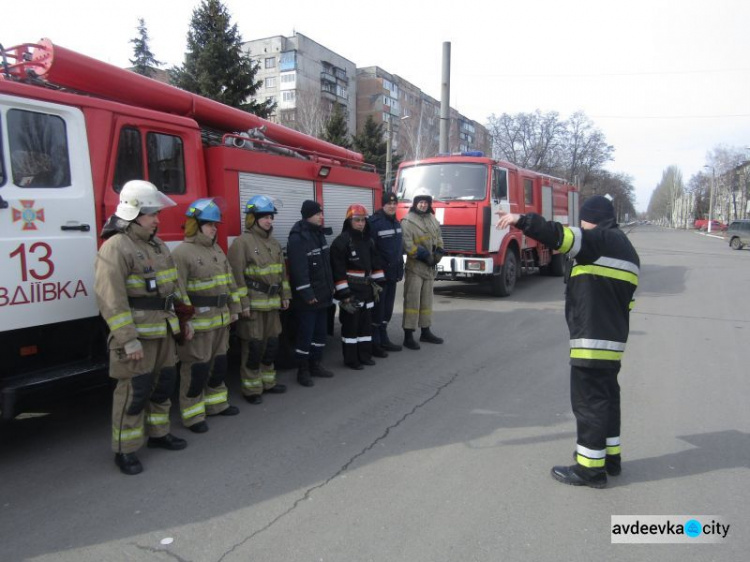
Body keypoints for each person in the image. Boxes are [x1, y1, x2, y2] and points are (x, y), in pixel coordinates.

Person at [496, 195, 640, 489]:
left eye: (585, 219)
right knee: (607, 400)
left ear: (593, 218)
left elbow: (559, 236)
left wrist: (521, 220)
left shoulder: (598, 240)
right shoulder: (626, 247)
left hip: (592, 340)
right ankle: (609, 459)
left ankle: (590, 470)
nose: (582, 224)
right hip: (612, 339)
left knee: (589, 404)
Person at [94, 180, 191, 475]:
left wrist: (184, 320)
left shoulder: (158, 245)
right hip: (138, 339)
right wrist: (128, 340)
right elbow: (110, 298)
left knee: (163, 386)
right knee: (133, 393)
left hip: (163, 333)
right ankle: (125, 449)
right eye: (152, 215)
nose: (157, 220)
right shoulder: (116, 247)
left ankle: (159, 435)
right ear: (134, 212)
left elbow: (174, 286)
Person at [171, 198, 241, 433]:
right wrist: (186, 322)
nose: (214, 228)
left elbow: (230, 280)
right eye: (209, 224)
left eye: (215, 225)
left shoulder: (217, 249)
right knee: (196, 369)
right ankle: (193, 415)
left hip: (221, 318)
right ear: (195, 225)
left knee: (219, 364)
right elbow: (178, 290)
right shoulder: (182, 253)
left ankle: (217, 404)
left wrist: (235, 309)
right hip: (199, 323)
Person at [228, 195, 291, 405]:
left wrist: (285, 295)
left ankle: (268, 382)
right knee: (253, 348)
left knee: (271, 345)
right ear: (252, 218)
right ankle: (252, 389)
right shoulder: (242, 243)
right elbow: (235, 277)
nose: (269, 220)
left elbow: (282, 274)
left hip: (272, 305)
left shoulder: (273, 243)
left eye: (271, 216)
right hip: (253, 306)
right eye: (264, 216)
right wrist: (242, 304)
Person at [330, 204, 385, 369]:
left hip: (367, 290)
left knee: (365, 326)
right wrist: (345, 294)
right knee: (350, 328)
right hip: (351, 292)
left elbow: (375, 263)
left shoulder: (368, 240)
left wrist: (379, 283)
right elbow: (337, 271)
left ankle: (365, 355)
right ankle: (351, 359)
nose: (361, 223)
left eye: (363, 220)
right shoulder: (341, 242)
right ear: (349, 221)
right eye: (357, 220)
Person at [287, 200, 336, 386]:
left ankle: (315, 364)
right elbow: (299, 270)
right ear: (308, 215)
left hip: (323, 295)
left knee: (320, 334)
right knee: (305, 335)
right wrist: (307, 294)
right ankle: (303, 371)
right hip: (308, 299)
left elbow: (325, 265)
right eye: (318, 214)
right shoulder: (298, 237)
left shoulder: (318, 234)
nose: (321, 217)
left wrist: (331, 286)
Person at [401, 187, 445, 350]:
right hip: (415, 268)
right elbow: (407, 244)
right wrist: (423, 255)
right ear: (415, 203)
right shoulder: (407, 221)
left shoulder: (433, 219)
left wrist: (439, 252)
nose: (423, 205)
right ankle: (408, 335)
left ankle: (425, 331)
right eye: (420, 202)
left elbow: (439, 237)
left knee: (427, 301)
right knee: (412, 301)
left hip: (429, 267)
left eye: (426, 202)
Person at [368, 191, 404, 353]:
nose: (392, 206)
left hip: (392, 274)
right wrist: (376, 272)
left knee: (387, 308)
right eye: (388, 203)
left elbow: (397, 250)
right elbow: (370, 251)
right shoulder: (375, 223)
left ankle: (384, 338)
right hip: (380, 276)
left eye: (394, 203)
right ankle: (375, 343)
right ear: (382, 205)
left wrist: (399, 267)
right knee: (378, 308)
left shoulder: (396, 223)